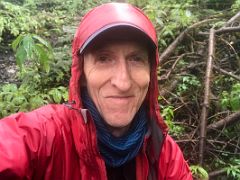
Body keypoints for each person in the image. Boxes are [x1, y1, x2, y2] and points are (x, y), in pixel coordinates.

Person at [0, 2, 192, 180]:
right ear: (81, 74)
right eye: (103, 59)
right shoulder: (44, 137)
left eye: (136, 59)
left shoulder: (164, 156)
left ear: (150, 72)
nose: (123, 82)